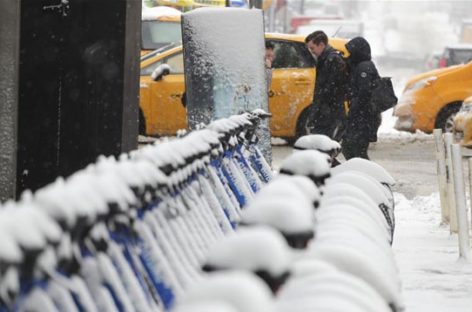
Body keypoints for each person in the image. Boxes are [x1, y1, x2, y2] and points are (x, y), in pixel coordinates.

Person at [342, 36, 381, 160]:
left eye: (351, 52)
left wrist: (353, 110)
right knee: (352, 148)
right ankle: (361, 173)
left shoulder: (365, 67)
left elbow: (364, 93)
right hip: (361, 116)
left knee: (356, 150)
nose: (349, 55)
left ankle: (368, 175)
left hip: (363, 117)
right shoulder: (360, 65)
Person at [305, 30, 347, 141]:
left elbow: (331, 89)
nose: (311, 51)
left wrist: (321, 110)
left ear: (322, 45)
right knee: (321, 146)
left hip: (329, 113)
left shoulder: (332, 60)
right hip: (324, 112)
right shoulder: (324, 60)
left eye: (312, 48)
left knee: (324, 146)